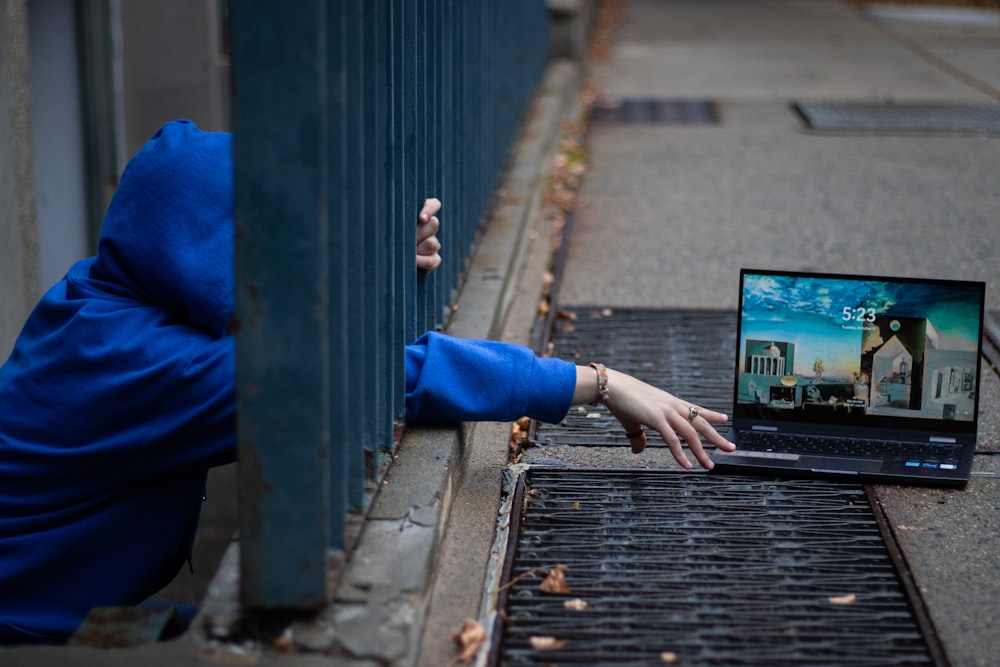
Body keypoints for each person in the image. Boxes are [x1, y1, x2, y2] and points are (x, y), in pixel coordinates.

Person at [0, 120, 733, 644]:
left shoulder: (100, 294)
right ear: (206, 250)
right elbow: (372, 372)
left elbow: (273, 315)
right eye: (260, 239)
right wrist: (599, 382)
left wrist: (375, 259)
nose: (285, 256)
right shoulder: (137, 362)